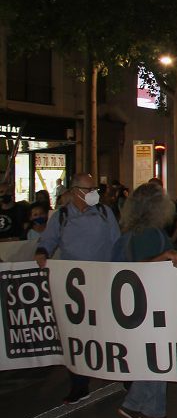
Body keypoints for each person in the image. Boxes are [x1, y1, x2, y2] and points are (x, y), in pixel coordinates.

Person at [34, 173, 121, 404]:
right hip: (74, 289)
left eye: (94, 188)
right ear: (74, 192)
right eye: (88, 188)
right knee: (77, 336)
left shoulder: (105, 213)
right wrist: (42, 253)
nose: (93, 192)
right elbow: (48, 241)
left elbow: (117, 244)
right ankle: (79, 384)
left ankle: (122, 373)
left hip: (102, 283)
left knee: (109, 331)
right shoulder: (61, 216)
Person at [114, 183, 177, 418]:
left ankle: (136, 405)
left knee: (153, 356)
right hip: (151, 304)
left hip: (134, 306)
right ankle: (151, 411)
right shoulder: (149, 234)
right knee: (160, 357)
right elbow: (140, 266)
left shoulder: (128, 234)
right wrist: (164, 257)